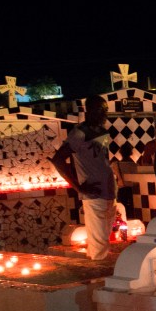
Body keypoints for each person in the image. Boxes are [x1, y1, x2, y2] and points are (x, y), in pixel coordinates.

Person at [50, 95, 116, 260]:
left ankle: (102, 275)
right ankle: (98, 278)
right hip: (93, 195)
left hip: (109, 192)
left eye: (106, 110)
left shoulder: (102, 131)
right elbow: (58, 160)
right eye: (101, 110)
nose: (104, 114)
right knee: (98, 244)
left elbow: (102, 160)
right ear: (90, 111)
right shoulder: (79, 133)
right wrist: (78, 188)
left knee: (105, 240)